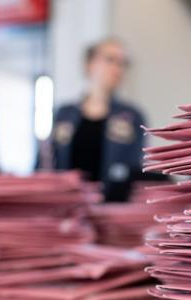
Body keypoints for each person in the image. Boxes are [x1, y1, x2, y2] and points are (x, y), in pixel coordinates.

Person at [38, 37, 150, 202]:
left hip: (112, 207)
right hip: (67, 206)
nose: (117, 68)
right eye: (110, 60)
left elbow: (135, 169)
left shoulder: (132, 117)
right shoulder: (64, 114)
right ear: (89, 64)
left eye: (123, 63)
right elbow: (46, 162)